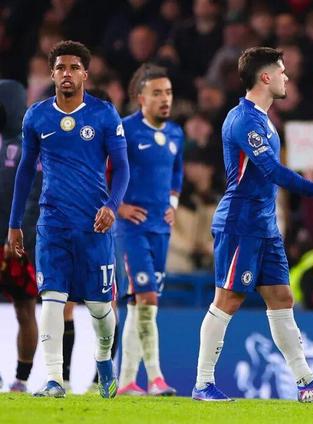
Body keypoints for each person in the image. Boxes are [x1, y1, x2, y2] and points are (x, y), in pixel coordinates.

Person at [191, 47, 313, 402]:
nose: (286, 77)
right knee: (228, 298)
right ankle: (203, 383)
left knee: (282, 297)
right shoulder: (243, 120)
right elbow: (272, 171)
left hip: (265, 226)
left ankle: (306, 382)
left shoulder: (264, 120)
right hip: (241, 223)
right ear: (265, 77)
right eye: (281, 71)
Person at [6, 40, 130, 398]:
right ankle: (54, 380)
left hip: (95, 224)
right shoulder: (37, 116)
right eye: (60, 67)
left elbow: (122, 168)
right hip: (53, 223)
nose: (67, 73)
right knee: (52, 298)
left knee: (100, 308)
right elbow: (25, 171)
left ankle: (104, 359)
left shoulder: (104, 114)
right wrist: (15, 223)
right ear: (52, 73)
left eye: (74, 67)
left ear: (85, 74)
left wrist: (112, 205)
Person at [115, 63, 182, 396]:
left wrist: (173, 203)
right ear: (141, 98)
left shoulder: (176, 134)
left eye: (168, 92)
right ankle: (156, 377)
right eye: (157, 93)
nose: (165, 99)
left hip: (160, 230)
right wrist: (118, 206)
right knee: (147, 298)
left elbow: (176, 174)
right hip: (132, 230)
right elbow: (101, 171)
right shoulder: (124, 130)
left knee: (138, 304)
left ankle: (127, 381)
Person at [0, 80, 39, 393]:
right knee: (25, 310)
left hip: (20, 243)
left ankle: (21, 379)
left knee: (25, 309)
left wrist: (19, 236)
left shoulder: (32, 147)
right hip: (15, 241)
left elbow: (35, 198)